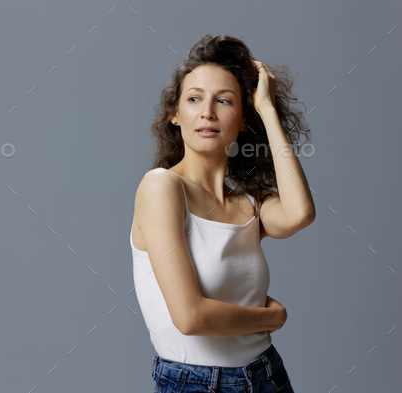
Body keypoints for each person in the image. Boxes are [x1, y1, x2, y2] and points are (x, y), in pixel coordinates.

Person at [129, 34, 315, 393]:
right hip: (197, 383)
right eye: (194, 98)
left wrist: (268, 109)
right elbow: (190, 317)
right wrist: (273, 317)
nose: (207, 112)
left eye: (224, 101)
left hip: (267, 374)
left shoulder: (249, 201)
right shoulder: (161, 188)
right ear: (175, 114)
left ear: (243, 119)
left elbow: (299, 214)